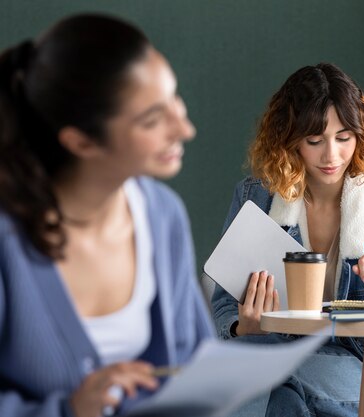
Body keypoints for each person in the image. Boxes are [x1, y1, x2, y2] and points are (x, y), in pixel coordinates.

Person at [0, 13, 213, 417]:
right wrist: (67, 410)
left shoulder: (163, 214)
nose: (184, 128)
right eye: (153, 119)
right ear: (81, 141)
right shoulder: (7, 239)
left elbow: (196, 365)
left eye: (174, 99)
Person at [211, 62, 364, 417]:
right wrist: (246, 325)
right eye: (315, 140)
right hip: (281, 358)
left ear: (361, 136)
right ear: (289, 140)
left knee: (262, 385)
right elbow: (223, 307)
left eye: (344, 138)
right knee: (272, 390)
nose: (331, 156)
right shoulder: (255, 200)